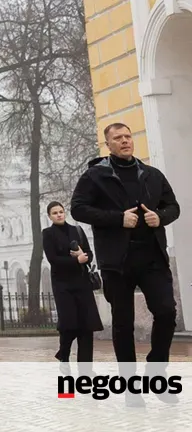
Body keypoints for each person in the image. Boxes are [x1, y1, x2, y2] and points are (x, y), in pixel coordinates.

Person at [70, 122, 180, 364]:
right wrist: (118, 219)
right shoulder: (95, 176)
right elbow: (78, 209)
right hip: (117, 261)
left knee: (166, 313)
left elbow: (173, 206)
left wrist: (159, 217)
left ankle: (156, 367)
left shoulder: (152, 175)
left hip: (152, 257)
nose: (125, 141)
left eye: (128, 136)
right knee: (123, 324)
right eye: (118, 137)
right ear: (108, 144)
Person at [42, 202, 102, 362]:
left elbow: (89, 253)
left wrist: (84, 256)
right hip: (62, 285)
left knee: (87, 326)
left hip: (82, 283)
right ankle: (64, 354)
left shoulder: (77, 230)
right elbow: (53, 259)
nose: (59, 215)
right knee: (69, 324)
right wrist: (76, 260)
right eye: (55, 213)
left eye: (61, 211)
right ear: (49, 216)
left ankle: (86, 368)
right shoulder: (48, 233)